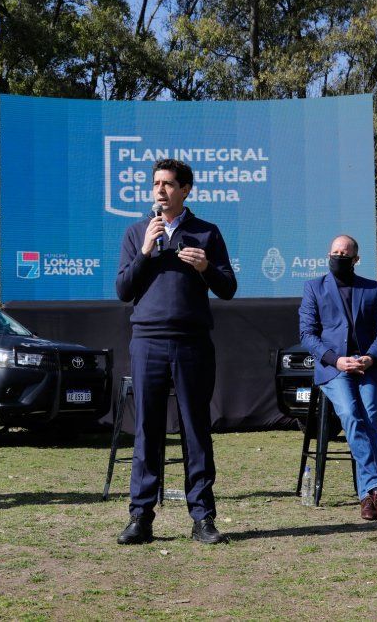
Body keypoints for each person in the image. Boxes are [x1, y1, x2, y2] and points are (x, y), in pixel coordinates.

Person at [115, 158, 237, 545]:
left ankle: (202, 518)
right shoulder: (137, 232)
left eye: (168, 184)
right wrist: (144, 252)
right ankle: (140, 518)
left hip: (191, 342)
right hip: (147, 341)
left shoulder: (206, 233)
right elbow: (123, 290)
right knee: (147, 430)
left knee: (196, 430)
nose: (160, 190)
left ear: (185, 189)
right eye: (156, 184)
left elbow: (228, 288)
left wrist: (206, 267)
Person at [298, 235, 377, 520]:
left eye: (344, 253)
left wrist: (370, 357)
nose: (338, 257)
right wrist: (335, 359)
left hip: (366, 366)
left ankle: (366, 497)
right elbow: (307, 334)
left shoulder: (372, 288)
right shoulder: (314, 287)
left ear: (356, 259)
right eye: (334, 252)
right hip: (334, 368)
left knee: (370, 417)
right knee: (351, 415)